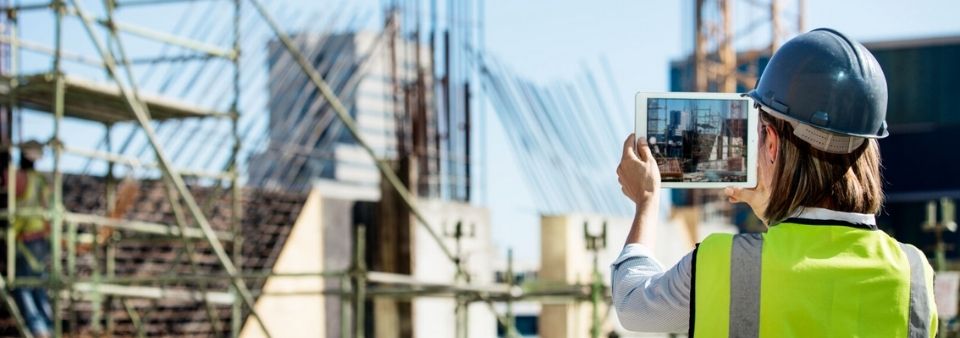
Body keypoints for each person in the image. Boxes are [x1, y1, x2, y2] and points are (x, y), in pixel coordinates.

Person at [612, 28, 937, 337]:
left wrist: (647, 200)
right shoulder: (914, 272)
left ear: (770, 142)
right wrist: (771, 207)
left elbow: (633, 304)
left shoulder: (724, 262)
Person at [8, 140, 54, 338]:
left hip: (25, 238)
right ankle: (47, 328)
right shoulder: (41, 180)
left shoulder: (19, 178)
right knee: (38, 285)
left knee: (23, 286)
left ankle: (38, 329)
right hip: (41, 238)